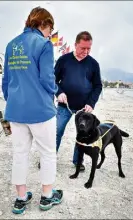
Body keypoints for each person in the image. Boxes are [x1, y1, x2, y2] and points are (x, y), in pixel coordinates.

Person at [2, 7, 63, 214]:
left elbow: (6, 82)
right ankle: (46, 196)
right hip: (40, 111)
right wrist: (56, 91)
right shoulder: (44, 44)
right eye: (50, 29)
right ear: (43, 24)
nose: (50, 34)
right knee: (47, 152)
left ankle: (20, 198)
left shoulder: (11, 45)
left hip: (16, 110)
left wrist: (13, 102)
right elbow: (47, 79)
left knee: (20, 154)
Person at [55, 31, 102, 171]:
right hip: (64, 106)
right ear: (75, 45)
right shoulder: (63, 60)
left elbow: (98, 86)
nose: (86, 51)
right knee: (57, 131)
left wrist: (91, 103)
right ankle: (49, 159)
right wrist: (59, 92)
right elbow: (52, 80)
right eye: (83, 48)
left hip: (83, 109)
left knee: (82, 134)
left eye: (89, 48)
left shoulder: (94, 64)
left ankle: (78, 161)